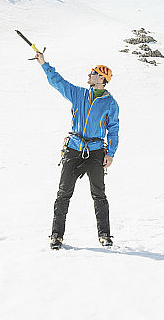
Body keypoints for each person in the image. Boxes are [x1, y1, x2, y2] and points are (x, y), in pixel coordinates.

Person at [34, 51, 119, 250]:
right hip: (73, 148)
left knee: (99, 194)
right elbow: (58, 82)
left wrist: (110, 153)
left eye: (93, 73)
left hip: (96, 151)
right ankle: (56, 236)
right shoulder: (79, 94)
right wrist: (44, 64)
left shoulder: (111, 103)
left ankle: (104, 235)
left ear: (102, 78)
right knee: (64, 193)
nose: (89, 75)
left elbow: (113, 129)